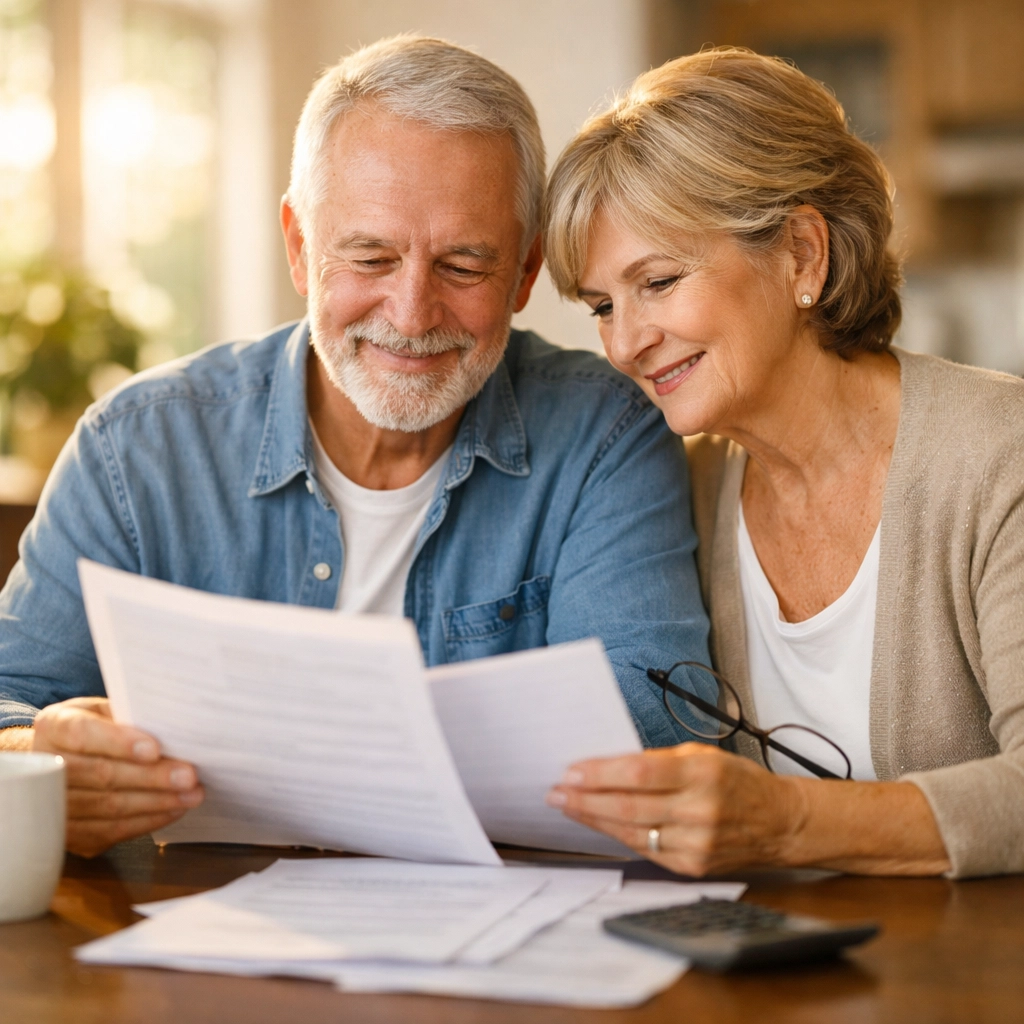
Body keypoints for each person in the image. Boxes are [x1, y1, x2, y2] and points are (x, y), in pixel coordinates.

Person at [0, 36, 711, 857]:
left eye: (463, 265)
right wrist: (45, 758)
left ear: (523, 273)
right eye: (370, 256)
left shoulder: (605, 437)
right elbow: (10, 702)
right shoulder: (135, 450)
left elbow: (655, 738)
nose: (411, 315)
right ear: (301, 247)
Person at [541, 47, 1024, 879]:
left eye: (658, 281)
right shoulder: (680, 491)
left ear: (802, 254)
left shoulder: (998, 456)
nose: (624, 343)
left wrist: (790, 822)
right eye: (602, 307)